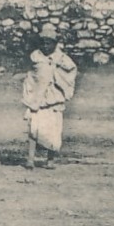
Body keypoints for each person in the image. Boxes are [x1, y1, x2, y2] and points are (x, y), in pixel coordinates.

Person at [21, 29, 78, 170]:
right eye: (43, 43)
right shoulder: (35, 58)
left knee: (53, 131)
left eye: (49, 43)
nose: (46, 46)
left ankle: (50, 160)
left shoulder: (62, 59)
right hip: (38, 100)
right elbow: (31, 77)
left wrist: (57, 71)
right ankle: (30, 159)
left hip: (54, 100)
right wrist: (30, 93)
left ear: (55, 43)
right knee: (34, 128)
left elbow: (70, 71)